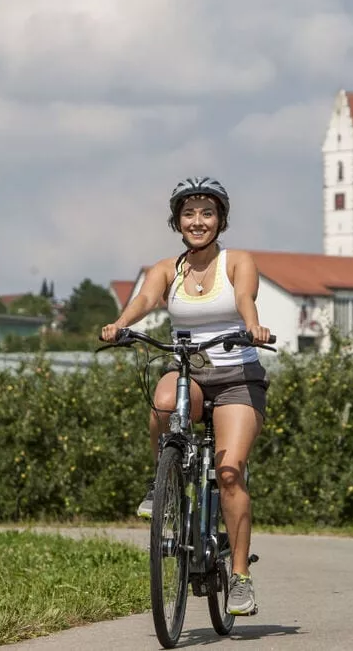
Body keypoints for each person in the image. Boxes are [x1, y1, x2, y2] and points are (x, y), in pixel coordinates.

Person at [101, 176, 271, 615]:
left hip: (236, 375)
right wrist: (121, 323)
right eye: (189, 213)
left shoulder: (238, 261)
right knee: (163, 402)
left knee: (230, 473)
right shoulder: (166, 268)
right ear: (177, 221)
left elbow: (246, 298)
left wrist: (252, 325)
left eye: (207, 213)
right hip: (187, 370)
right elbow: (144, 300)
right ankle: (164, 480)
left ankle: (240, 577)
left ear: (221, 220)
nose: (198, 221)